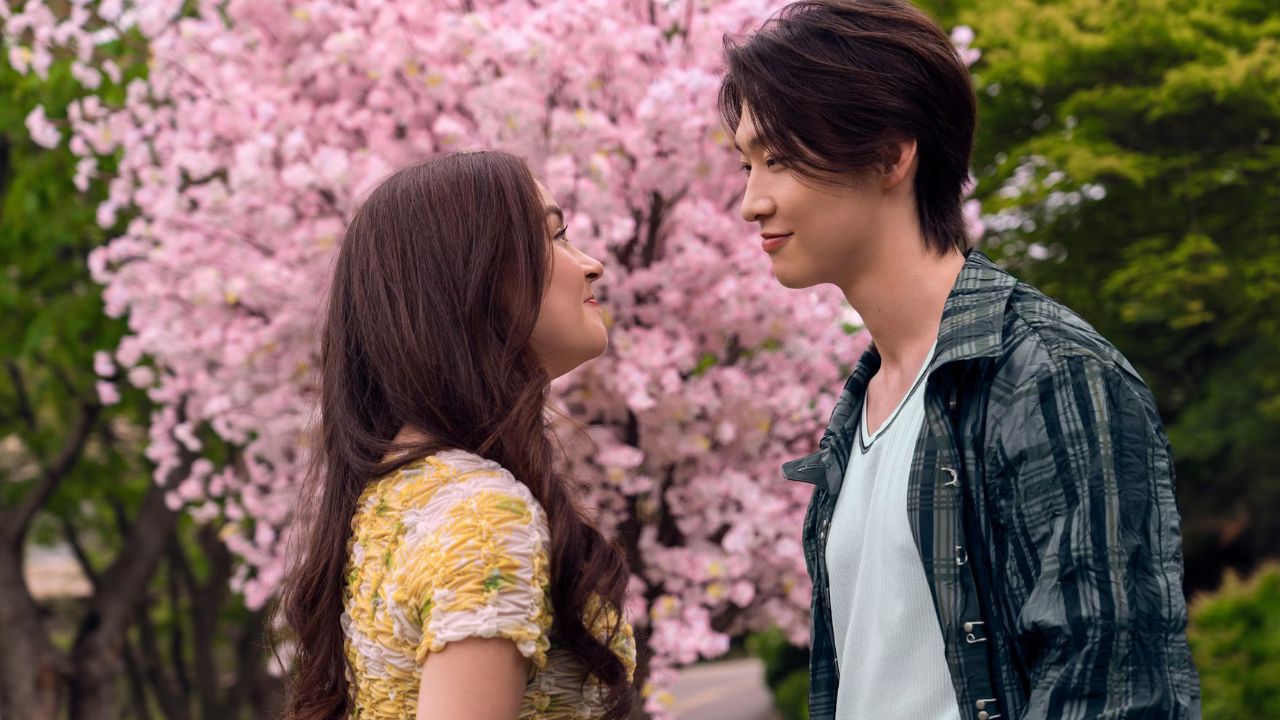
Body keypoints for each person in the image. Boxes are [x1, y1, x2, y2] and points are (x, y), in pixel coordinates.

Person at [719, 1, 1201, 719]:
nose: (750, 202)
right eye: (746, 164)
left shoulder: (1050, 376)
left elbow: (1112, 691)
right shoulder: (859, 410)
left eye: (779, 159)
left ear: (891, 155)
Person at [280, 151, 635, 720]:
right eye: (555, 237)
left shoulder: (394, 495)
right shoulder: (483, 519)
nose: (592, 265)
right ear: (470, 279)